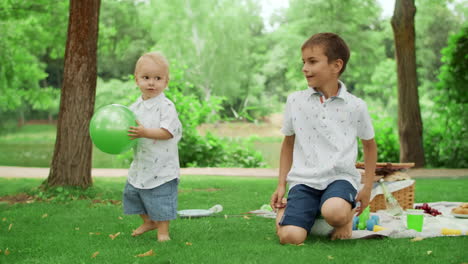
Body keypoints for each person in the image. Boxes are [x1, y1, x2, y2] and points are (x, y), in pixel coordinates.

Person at [270, 33, 377, 244]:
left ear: (336, 65)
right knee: (290, 238)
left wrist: (367, 187)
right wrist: (281, 185)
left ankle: (344, 219)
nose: (304, 68)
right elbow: (288, 144)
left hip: (340, 178)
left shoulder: (356, 106)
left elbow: (369, 145)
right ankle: (289, 215)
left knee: (335, 212)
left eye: (312, 61)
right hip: (304, 180)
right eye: (303, 62)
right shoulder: (295, 101)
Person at [124, 52, 182, 242]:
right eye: (146, 77)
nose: (151, 83)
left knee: (161, 198)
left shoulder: (166, 106)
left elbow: (167, 132)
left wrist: (144, 132)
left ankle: (163, 233)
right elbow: (129, 128)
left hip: (163, 166)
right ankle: (148, 221)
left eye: (157, 78)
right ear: (137, 80)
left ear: (166, 82)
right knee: (132, 194)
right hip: (142, 163)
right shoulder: (135, 107)